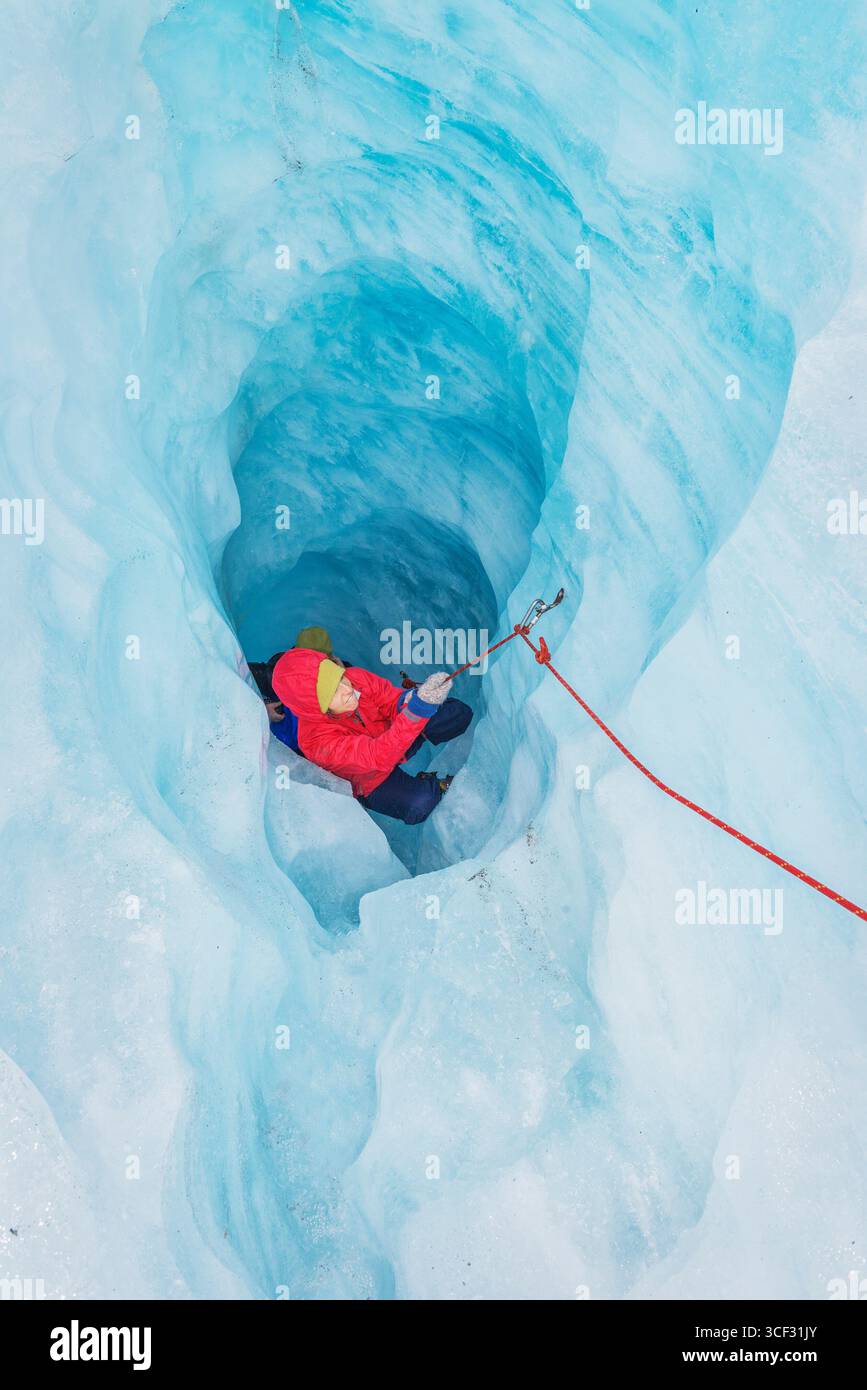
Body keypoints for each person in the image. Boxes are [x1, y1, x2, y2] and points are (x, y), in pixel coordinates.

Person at [271, 647, 472, 824]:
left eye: (340, 678)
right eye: (332, 692)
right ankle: (435, 785)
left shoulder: (356, 678)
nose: (347, 689)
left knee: (456, 713)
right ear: (315, 705)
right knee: (419, 805)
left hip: (395, 736)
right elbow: (377, 757)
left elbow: (391, 701)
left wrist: (410, 699)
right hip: (371, 778)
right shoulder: (315, 741)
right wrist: (418, 710)